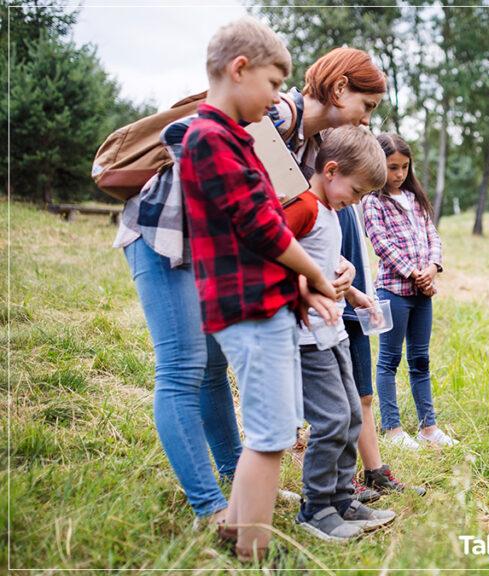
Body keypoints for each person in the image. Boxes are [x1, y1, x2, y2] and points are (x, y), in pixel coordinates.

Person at [178, 17, 338, 560]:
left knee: (270, 430)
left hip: (264, 304)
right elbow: (262, 226)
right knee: (270, 438)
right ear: (239, 68)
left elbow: (260, 228)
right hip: (246, 310)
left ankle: (239, 529)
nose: (277, 98)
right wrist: (314, 273)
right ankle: (255, 551)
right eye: (273, 84)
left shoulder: (233, 137)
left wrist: (298, 288)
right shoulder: (210, 138)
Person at [270, 47, 424, 495]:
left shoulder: (323, 149)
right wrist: (309, 276)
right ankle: (325, 495)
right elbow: (273, 229)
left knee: (353, 390)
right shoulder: (279, 121)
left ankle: (362, 476)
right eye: (368, 108)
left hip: (333, 298)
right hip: (303, 311)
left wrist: (342, 274)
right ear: (340, 89)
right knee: (330, 407)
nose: (368, 122)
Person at [282, 126, 397, 542]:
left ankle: (342, 497)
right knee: (331, 420)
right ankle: (315, 508)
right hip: (305, 337)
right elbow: (274, 254)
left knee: (350, 414)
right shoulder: (303, 207)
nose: (358, 201)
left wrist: (359, 294)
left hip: (333, 333)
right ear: (331, 170)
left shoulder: (330, 211)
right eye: (358, 191)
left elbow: (327, 264)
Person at [362, 133, 455, 449]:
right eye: (392, 167)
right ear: (378, 165)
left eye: (404, 167)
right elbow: (381, 244)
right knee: (389, 359)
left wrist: (432, 268)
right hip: (393, 291)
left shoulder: (415, 200)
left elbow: (433, 237)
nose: (399, 174)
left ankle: (429, 428)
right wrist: (412, 272)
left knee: (421, 359)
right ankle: (392, 429)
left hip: (422, 294)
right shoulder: (373, 202)